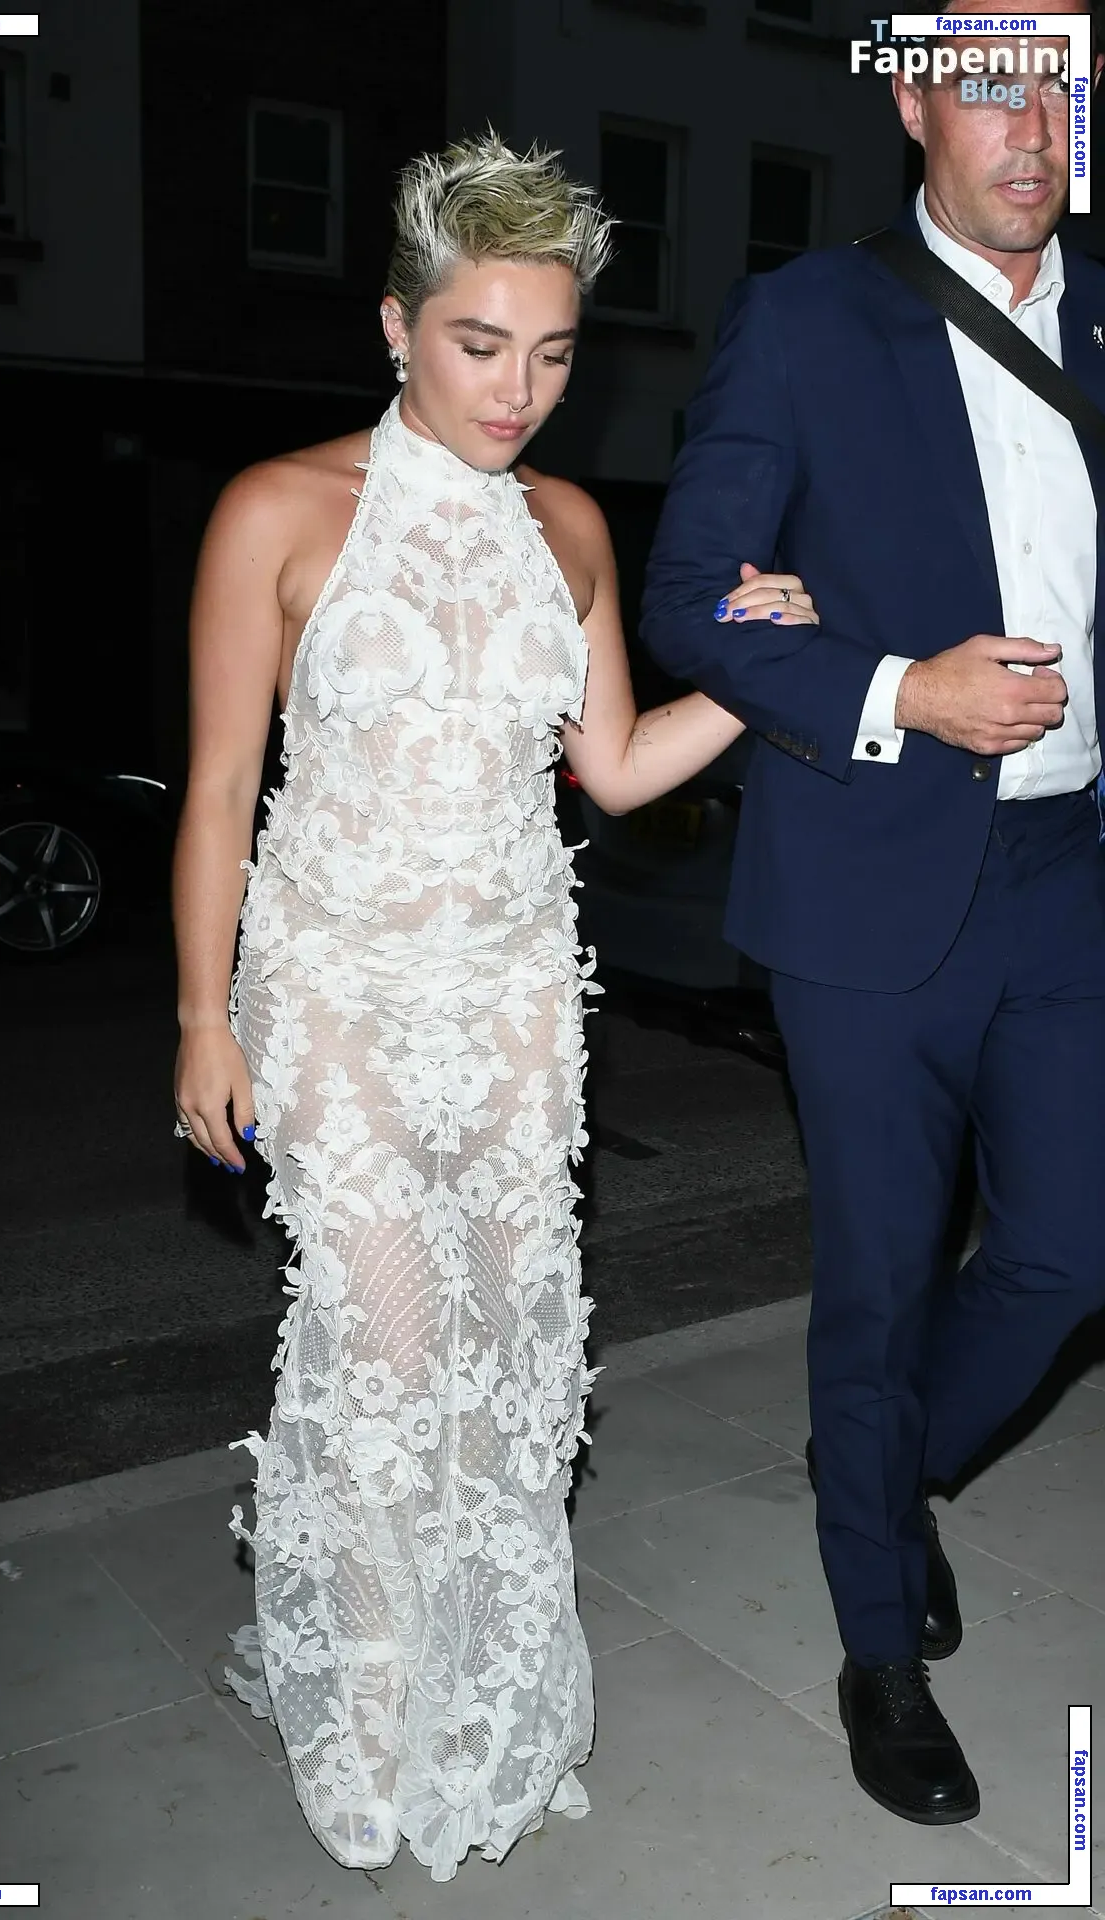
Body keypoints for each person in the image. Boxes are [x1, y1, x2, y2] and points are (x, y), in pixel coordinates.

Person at [170, 132, 815, 1880]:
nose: (516, 389)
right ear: (398, 327)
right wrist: (204, 1019)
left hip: (520, 991)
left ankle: (483, 1700)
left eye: (551, 353)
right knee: (390, 1352)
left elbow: (615, 768)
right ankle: (375, 1711)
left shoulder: (572, 527)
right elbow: (219, 792)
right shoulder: (277, 510)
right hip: (335, 986)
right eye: (478, 345)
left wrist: (756, 670)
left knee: (510, 1358)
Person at [641, 0, 1105, 1829]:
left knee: (1071, 1250)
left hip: (1071, 874)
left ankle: (885, 1480)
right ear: (913, 98)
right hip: (867, 879)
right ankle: (876, 1650)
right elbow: (690, 595)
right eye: (990, 84)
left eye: (1061, 85)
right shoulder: (808, 318)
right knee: (883, 1278)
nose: (1032, 126)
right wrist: (899, 685)